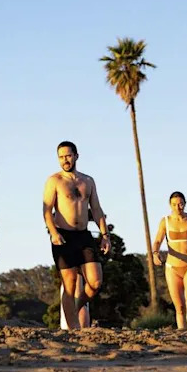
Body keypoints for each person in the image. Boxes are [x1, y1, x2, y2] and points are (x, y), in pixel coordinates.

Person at [42, 141, 111, 329]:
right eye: (61, 157)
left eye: (68, 156)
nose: (65, 160)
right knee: (69, 283)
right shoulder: (54, 181)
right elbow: (47, 210)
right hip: (63, 236)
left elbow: (96, 209)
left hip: (84, 235)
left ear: (76, 156)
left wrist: (105, 235)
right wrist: (54, 233)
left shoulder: (87, 181)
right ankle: (74, 330)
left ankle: (77, 307)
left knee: (96, 281)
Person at [152, 192, 187, 330]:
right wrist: (155, 253)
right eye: (174, 204)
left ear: (185, 203)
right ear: (170, 205)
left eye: (181, 204)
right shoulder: (165, 221)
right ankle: (182, 334)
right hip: (172, 267)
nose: (178, 207)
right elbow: (158, 240)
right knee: (179, 306)